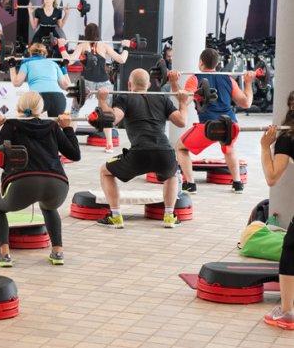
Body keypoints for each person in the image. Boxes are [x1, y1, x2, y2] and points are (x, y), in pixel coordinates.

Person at [0, 91, 81, 266]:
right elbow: (75, 154)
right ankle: (58, 252)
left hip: (23, 183)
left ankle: (4, 254)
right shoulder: (52, 127)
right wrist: (67, 128)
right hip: (57, 184)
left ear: (19, 107)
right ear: (41, 108)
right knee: (49, 208)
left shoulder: (12, 125)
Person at [95, 69, 189, 229]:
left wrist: (102, 101)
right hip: (165, 152)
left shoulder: (124, 97)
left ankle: (116, 217)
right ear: (149, 85)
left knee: (105, 170)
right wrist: (182, 103)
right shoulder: (162, 99)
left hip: (140, 154)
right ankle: (169, 216)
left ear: (129, 84)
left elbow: (113, 119)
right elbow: (181, 121)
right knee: (172, 173)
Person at [170, 48, 255, 194]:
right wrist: (248, 83)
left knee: (180, 147)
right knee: (229, 148)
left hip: (208, 127)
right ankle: (237, 183)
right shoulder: (228, 78)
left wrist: (173, 82)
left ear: (201, 62)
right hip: (231, 125)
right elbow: (246, 103)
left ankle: (190, 184)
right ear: (216, 64)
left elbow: (185, 100)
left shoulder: (195, 78)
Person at [63, 23, 130, 153]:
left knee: (75, 111)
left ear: (86, 33)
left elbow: (69, 61)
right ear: (98, 33)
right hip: (103, 83)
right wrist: (126, 47)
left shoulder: (82, 45)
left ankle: (69, 141)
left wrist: (61, 46)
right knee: (106, 113)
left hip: (87, 82)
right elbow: (122, 59)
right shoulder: (104, 46)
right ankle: (109, 144)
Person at [261, 91, 294, 330]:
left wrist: (265, 147)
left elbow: (272, 177)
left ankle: (287, 312)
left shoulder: (287, 139)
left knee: (291, 252)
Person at [8, 42, 71, 117]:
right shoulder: (54, 64)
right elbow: (66, 86)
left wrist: (12, 66)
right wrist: (63, 68)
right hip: (57, 97)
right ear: (45, 54)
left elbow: (16, 83)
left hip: (38, 96)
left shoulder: (26, 63)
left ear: (30, 53)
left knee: (34, 124)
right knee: (55, 126)